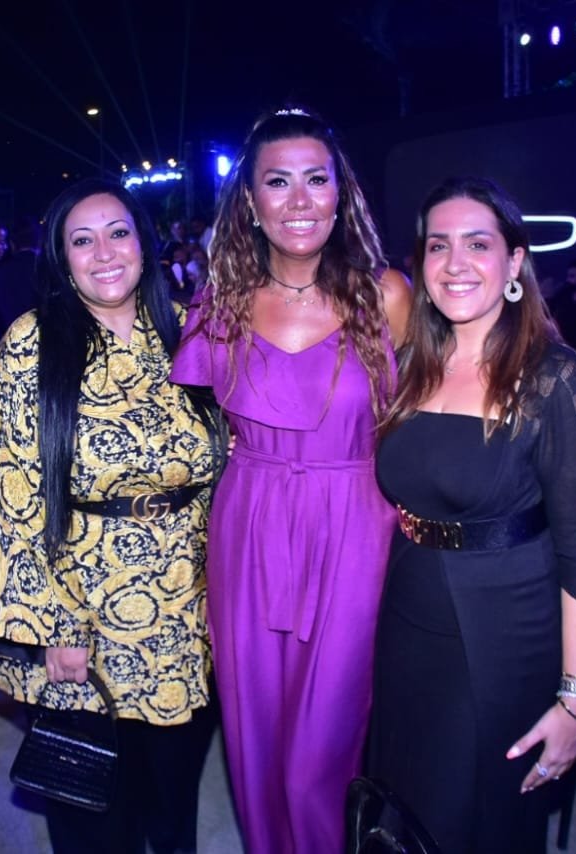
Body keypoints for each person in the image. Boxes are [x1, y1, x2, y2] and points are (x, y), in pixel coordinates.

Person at [170, 107, 410, 853]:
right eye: (279, 182)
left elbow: (427, 417)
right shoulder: (218, 304)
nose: (300, 200)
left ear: (342, 194)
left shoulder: (387, 295)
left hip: (355, 527)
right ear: (251, 201)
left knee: (321, 753)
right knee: (255, 738)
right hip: (248, 527)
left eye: (317, 179)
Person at [0, 179, 223, 854]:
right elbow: (3, 501)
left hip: (188, 623)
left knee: (173, 817)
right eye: (82, 240)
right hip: (82, 622)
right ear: (61, 257)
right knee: (95, 825)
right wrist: (52, 627)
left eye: (118, 233)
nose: (104, 252)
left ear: (144, 242)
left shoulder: (191, 333)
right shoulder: (30, 347)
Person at [369, 177, 576, 854]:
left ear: (514, 261)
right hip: (406, 618)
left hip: (503, 631)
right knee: (401, 810)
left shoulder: (551, 375)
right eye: (438, 245)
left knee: (474, 821)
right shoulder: (410, 363)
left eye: (478, 244)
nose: (455, 262)